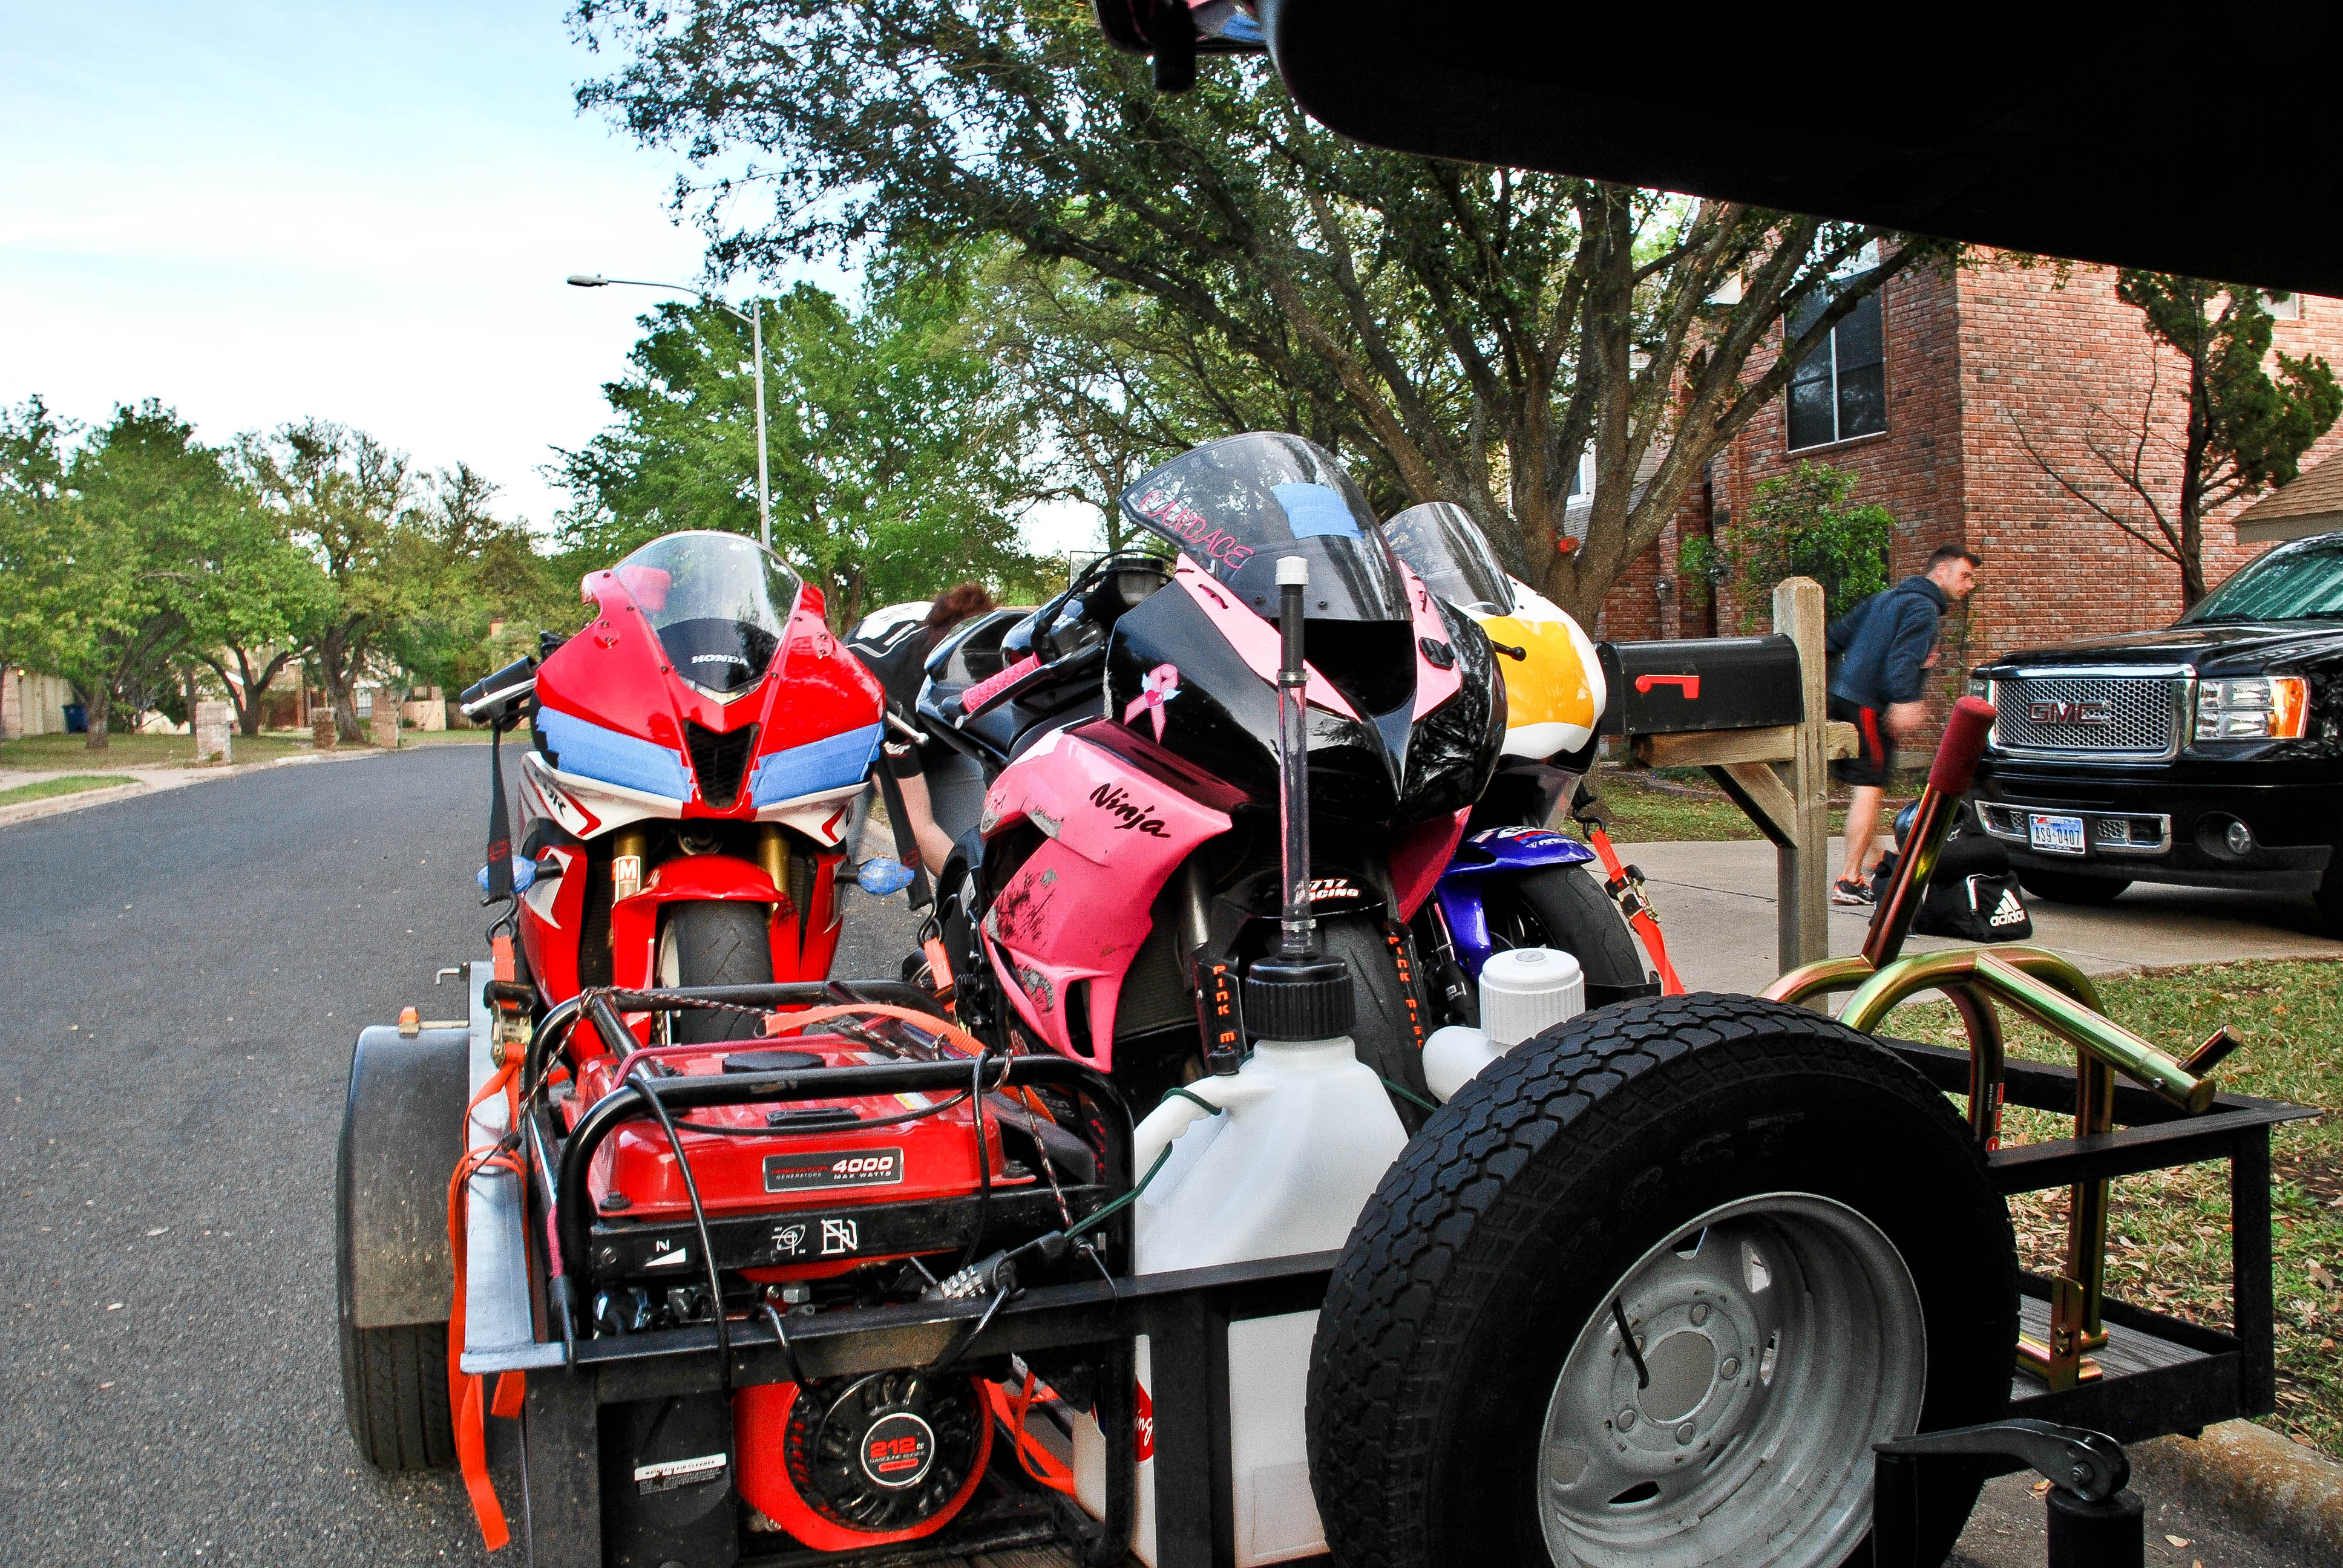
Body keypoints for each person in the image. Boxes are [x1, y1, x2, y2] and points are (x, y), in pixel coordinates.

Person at [1824, 544, 1981, 905]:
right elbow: (1903, 658)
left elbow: (1833, 638)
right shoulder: (1924, 608)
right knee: (1870, 786)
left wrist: (1835, 685)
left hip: (1848, 699)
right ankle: (1849, 879)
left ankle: (1875, 863)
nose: (1969, 585)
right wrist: (1904, 699)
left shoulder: (1885, 599)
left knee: (1869, 787)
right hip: (1871, 706)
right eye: (1965, 576)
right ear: (1940, 572)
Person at [848, 582, 997, 875]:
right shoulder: (895, 696)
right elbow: (920, 827)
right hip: (863, 721)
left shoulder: (999, 657)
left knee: (975, 848)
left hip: (922, 714)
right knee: (841, 852)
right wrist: (974, 894)